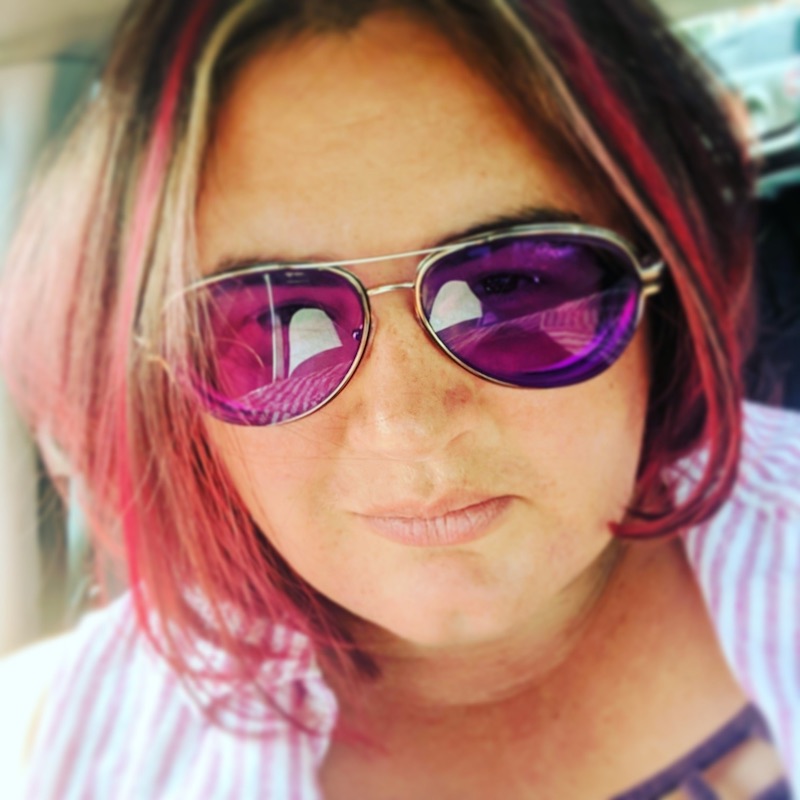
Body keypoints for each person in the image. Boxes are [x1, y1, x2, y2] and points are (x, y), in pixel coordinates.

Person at [0, 0, 798, 796]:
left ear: (663, 291)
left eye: (512, 288)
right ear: (166, 381)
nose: (407, 425)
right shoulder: (52, 747)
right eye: (280, 325)